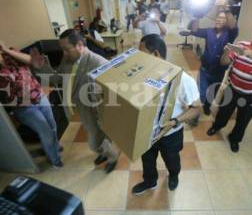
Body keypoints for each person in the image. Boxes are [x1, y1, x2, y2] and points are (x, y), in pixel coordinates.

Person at [132, 34, 201, 195]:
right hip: (148, 131)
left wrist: (176, 121)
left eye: (141, 52)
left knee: (172, 159)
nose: (138, 57)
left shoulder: (182, 79)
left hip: (170, 132)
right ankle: (150, 181)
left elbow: (196, 108)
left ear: (155, 54)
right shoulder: (142, 75)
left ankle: (174, 175)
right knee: (147, 160)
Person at [206, 19, 252, 152]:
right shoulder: (241, 45)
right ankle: (216, 127)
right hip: (232, 89)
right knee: (223, 113)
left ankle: (234, 139)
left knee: (242, 121)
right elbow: (224, 62)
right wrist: (226, 52)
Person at [55, 29, 119, 173]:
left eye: (66, 49)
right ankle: (104, 153)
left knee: (95, 141)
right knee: (95, 137)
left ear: (79, 45)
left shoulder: (99, 62)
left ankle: (112, 156)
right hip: (82, 109)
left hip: (97, 112)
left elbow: (113, 93)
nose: (63, 53)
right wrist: (40, 67)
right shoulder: (67, 59)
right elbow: (57, 78)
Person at [0, 42, 63, 168]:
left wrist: (7, 51)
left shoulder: (11, 53)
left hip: (39, 96)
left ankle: (54, 147)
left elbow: (30, 60)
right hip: (23, 107)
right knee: (46, 132)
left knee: (53, 126)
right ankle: (55, 160)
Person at [189, 0, 239, 115]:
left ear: (227, 21)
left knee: (212, 92)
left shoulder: (230, 33)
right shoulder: (208, 31)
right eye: (218, 18)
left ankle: (207, 107)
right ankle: (193, 115)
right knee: (200, 94)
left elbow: (233, 26)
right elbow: (194, 30)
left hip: (219, 71)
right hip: (205, 70)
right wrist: (197, 16)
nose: (219, 20)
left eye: (223, 18)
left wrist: (226, 8)